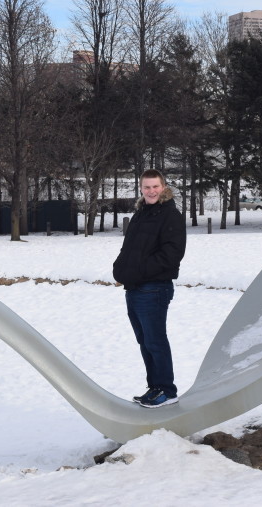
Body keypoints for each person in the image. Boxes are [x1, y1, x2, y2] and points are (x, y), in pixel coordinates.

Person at [112, 169, 186, 407]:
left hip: (154, 289)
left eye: (155, 187)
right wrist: (120, 268)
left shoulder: (170, 216)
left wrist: (136, 272)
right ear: (141, 189)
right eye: (146, 187)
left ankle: (166, 390)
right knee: (144, 341)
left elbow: (171, 255)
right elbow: (129, 249)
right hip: (135, 289)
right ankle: (154, 387)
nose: (151, 191)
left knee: (155, 340)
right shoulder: (141, 214)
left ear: (163, 187)